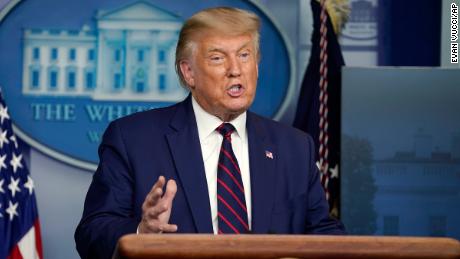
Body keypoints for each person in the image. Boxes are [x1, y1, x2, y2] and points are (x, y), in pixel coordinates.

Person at [75, 6, 345, 259]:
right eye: (218, 58)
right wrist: (142, 234)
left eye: (244, 55)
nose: (235, 70)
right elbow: (92, 233)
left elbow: (325, 233)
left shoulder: (294, 146)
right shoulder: (133, 139)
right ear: (189, 72)